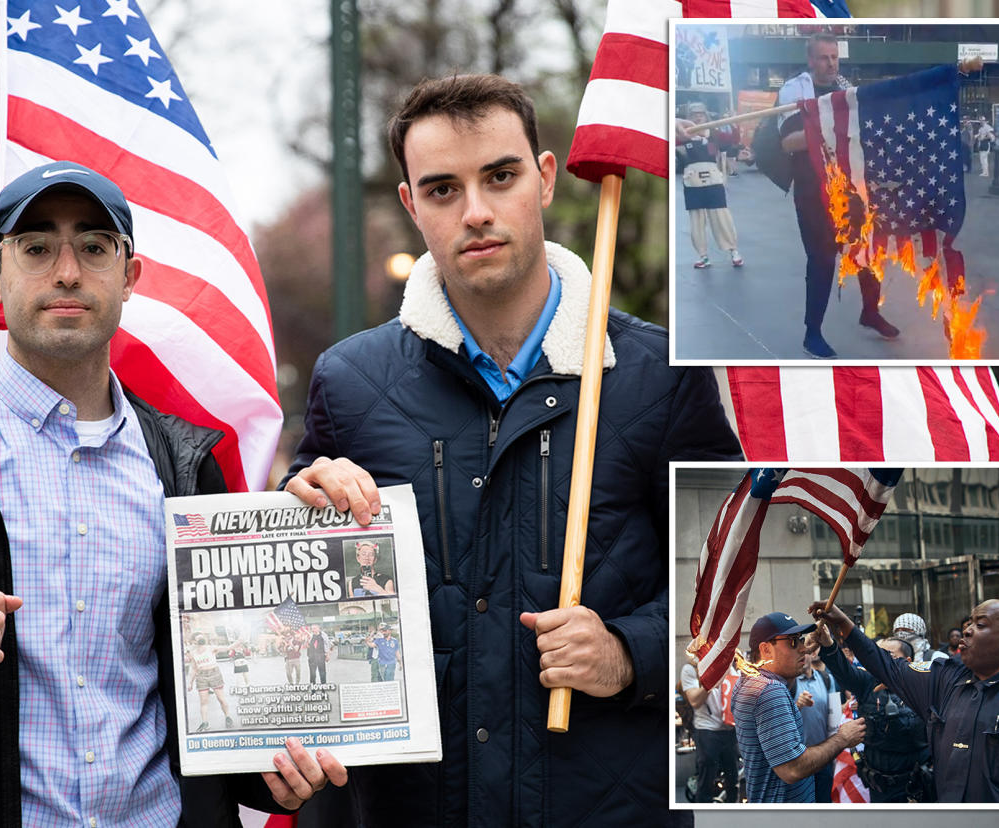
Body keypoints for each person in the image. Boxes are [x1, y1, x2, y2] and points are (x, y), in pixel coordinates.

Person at [282, 73, 742, 827]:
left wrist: (630, 653)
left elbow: (727, 574)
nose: (476, 212)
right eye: (441, 190)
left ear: (546, 177)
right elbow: (300, 588)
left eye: (500, 176)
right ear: (410, 205)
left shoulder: (660, 376)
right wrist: (305, 495)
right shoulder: (351, 381)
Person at [0, 161, 342, 824]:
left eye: (94, 248)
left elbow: (210, 713)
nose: (67, 272)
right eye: (37, 248)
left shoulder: (186, 469)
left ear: (129, 276)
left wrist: (272, 771)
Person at [811, 600, 999, 802]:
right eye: (970, 622)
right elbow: (882, 664)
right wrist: (842, 623)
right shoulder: (945, 678)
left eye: (981, 625)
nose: (967, 630)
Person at [778, 33, 899, 358]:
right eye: (823, 58)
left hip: (850, 188)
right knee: (821, 260)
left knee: (867, 252)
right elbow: (789, 142)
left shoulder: (845, 89)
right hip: (812, 190)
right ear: (810, 60)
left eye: (834, 57)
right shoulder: (794, 92)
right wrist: (831, 129)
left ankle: (870, 312)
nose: (830, 63)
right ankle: (812, 333)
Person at [731, 612, 865, 803]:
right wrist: (843, 738)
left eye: (801, 640)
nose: (803, 648)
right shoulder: (770, 691)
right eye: (793, 642)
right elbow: (792, 769)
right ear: (766, 649)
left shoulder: (749, 681)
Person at [818, 631, 931, 802]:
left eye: (887, 656)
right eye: (876, 655)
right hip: (880, 788)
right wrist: (828, 644)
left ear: (908, 661)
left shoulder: (925, 686)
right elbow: (843, 669)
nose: (879, 661)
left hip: (918, 785)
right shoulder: (866, 682)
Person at [676, 102, 743, 269]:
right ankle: (702, 255)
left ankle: (733, 250)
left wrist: (734, 124)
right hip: (692, 180)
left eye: (701, 114)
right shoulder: (682, 135)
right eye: (694, 114)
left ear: (706, 115)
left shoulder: (714, 133)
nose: (698, 117)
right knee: (696, 220)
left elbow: (732, 142)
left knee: (722, 216)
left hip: (713, 178)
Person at [679, 656, 739, 803]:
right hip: (707, 730)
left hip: (729, 729)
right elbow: (694, 700)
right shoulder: (691, 669)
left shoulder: (731, 666)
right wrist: (713, 677)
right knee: (706, 780)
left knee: (733, 780)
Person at [791, 648, 840, 802]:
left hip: (824, 758)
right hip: (800, 760)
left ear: (812, 655)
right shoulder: (788, 684)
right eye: (797, 652)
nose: (801, 656)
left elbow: (834, 716)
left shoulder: (826, 679)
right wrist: (796, 705)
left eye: (803, 652)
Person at [187, 633, 235, 730]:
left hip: (214, 674)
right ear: (194, 641)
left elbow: (227, 648)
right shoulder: (193, 653)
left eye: (202, 636)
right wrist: (190, 682)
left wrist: (239, 641)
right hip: (201, 676)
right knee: (203, 701)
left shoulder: (211, 648)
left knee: (221, 699)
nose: (201, 638)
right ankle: (205, 723)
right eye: (198, 637)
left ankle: (228, 717)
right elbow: (194, 668)